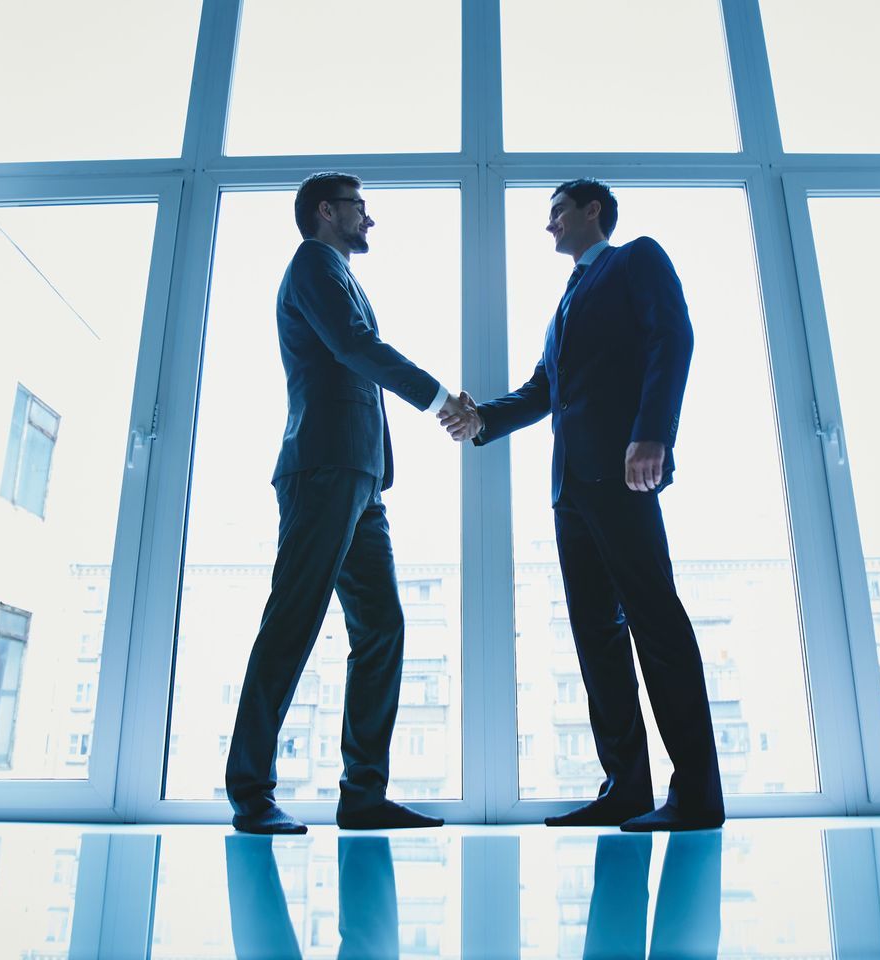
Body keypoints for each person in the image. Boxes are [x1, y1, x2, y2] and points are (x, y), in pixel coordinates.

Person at [443, 179, 724, 832]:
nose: (550, 226)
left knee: (656, 622)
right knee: (596, 635)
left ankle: (698, 795)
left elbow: (673, 338)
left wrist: (652, 433)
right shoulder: (565, 304)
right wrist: (481, 420)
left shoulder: (636, 259)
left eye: (557, 213)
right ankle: (625, 787)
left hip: (624, 472)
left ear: (592, 210)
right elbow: (543, 389)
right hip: (570, 489)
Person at [224, 172, 467, 834]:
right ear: (327, 211)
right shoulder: (313, 263)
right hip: (325, 468)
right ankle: (250, 794)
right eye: (361, 208)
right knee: (293, 623)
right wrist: (440, 399)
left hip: (360, 477)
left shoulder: (337, 273)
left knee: (382, 627)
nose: (370, 219)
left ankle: (363, 794)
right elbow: (356, 347)